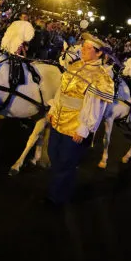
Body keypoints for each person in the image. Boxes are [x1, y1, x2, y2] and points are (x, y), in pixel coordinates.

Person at [45, 33, 114, 206]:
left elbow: (95, 107)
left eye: (87, 48)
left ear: (98, 53)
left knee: (66, 162)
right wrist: (53, 108)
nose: (82, 49)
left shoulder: (100, 76)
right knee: (53, 154)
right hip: (59, 119)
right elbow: (61, 90)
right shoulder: (75, 66)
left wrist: (83, 128)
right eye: (83, 46)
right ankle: (56, 189)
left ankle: (58, 198)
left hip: (75, 126)